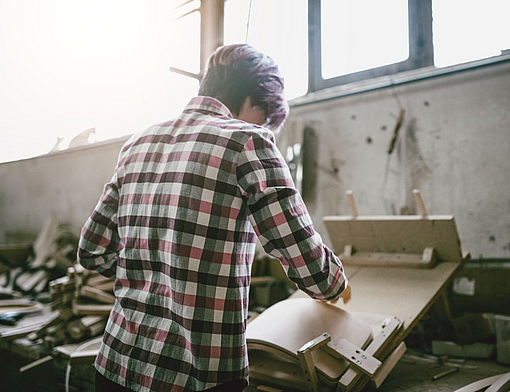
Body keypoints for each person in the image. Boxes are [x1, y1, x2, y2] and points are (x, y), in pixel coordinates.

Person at [78, 43, 350, 392]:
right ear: (255, 101)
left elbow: (91, 250)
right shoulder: (248, 142)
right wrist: (338, 283)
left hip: (117, 364)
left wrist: (148, 276)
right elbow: (312, 270)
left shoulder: (137, 144)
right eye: (266, 118)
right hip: (196, 375)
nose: (264, 126)